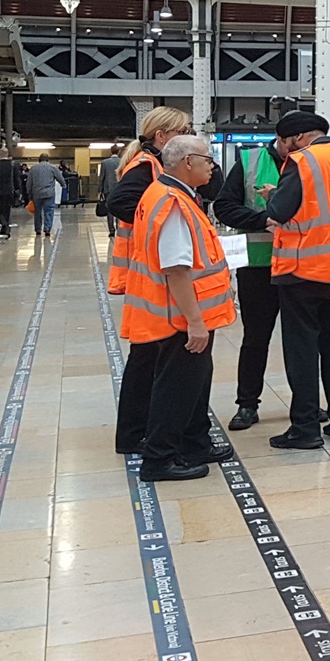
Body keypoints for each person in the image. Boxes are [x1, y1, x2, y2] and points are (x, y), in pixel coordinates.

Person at [121, 134, 236, 481]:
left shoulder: (168, 194)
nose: (212, 165)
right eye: (208, 158)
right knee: (177, 386)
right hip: (178, 317)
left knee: (193, 382)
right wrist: (195, 322)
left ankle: (194, 440)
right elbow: (176, 268)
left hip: (177, 313)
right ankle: (159, 458)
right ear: (187, 162)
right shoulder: (172, 203)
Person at [263, 113, 330, 449]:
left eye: (283, 141)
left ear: (297, 137)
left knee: (302, 349)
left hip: (302, 268)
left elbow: (280, 210)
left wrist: (270, 194)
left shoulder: (302, 161)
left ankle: (305, 428)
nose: (281, 148)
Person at [110, 106, 204, 455]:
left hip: (148, 275)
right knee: (148, 359)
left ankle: (136, 432)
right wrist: (157, 225)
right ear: (162, 137)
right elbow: (119, 202)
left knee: (146, 358)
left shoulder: (151, 166)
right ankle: (138, 434)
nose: (190, 133)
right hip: (155, 277)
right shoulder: (147, 168)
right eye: (183, 130)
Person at [212, 113, 312, 431]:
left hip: (301, 264)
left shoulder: (310, 164)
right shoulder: (250, 160)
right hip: (259, 265)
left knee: (302, 340)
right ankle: (247, 404)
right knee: (256, 338)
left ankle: (306, 405)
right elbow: (224, 206)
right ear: (282, 140)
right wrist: (265, 219)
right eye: (294, 146)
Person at [26, 153, 63, 237]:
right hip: (49, 193)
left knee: (37, 212)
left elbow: (29, 182)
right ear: (47, 159)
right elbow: (60, 178)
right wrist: (63, 184)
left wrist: (29, 192)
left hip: (37, 194)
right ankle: (47, 229)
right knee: (49, 211)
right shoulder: (52, 168)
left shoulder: (33, 169)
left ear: (39, 160)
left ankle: (38, 229)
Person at [98, 149, 121, 238]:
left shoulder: (105, 162)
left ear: (111, 152)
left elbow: (102, 177)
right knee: (119, 209)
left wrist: (99, 189)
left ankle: (111, 230)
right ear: (118, 152)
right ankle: (119, 227)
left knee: (109, 210)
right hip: (119, 189)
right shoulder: (122, 161)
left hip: (108, 189)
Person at [0, 148, 14, 238]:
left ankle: (3, 223)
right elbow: (15, 179)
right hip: (8, 190)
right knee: (7, 209)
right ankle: (5, 225)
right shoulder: (12, 165)